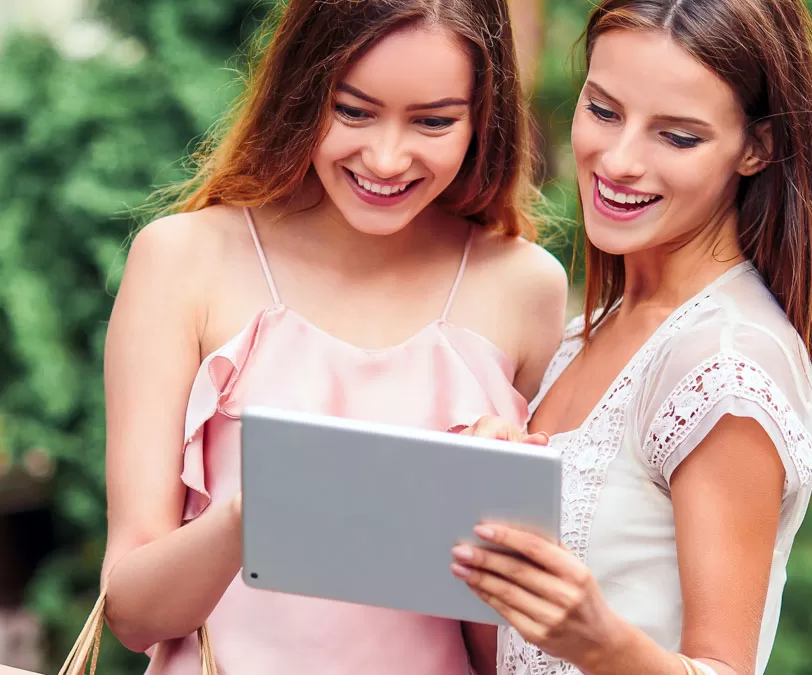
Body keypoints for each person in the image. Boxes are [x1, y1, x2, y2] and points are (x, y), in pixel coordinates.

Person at [99, 1, 568, 673]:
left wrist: (490, 525)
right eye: (353, 110)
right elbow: (133, 612)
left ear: (482, 117)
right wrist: (249, 515)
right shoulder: (183, 260)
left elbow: (506, 651)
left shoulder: (525, 287)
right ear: (302, 90)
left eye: (434, 120)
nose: (386, 157)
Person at [449, 1, 812, 674]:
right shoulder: (592, 332)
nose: (619, 161)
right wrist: (479, 495)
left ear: (757, 146)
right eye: (603, 110)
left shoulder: (725, 365)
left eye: (677, 137)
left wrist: (599, 640)